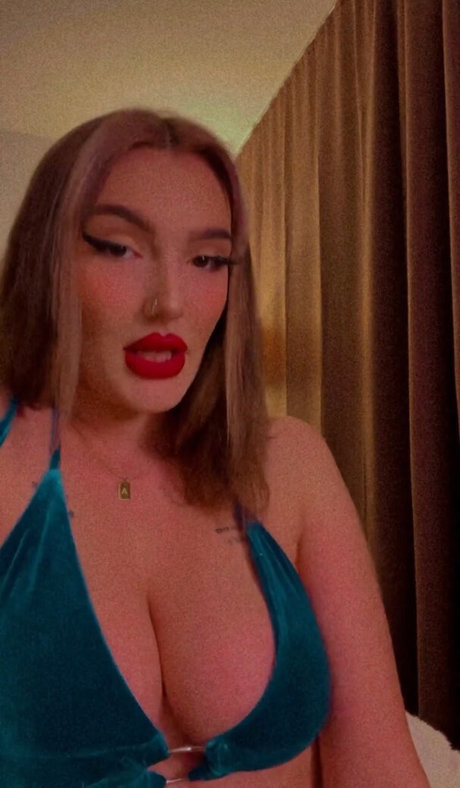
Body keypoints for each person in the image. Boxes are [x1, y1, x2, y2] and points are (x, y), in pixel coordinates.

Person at [0, 108, 429, 787]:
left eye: (206, 259)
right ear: (43, 260)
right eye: (120, 248)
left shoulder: (289, 464)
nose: (169, 302)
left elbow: (382, 768)